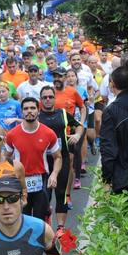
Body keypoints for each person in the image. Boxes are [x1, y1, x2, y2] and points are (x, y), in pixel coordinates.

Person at [5, 99, 62, 221]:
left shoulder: (49, 133)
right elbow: (6, 158)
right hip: (20, 180)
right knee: (23, 218)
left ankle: (46, 218)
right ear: (22, 112)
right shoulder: (12, 135)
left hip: (41, 179)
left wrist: (54, 174)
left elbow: (58, 157)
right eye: (26, 108)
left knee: (39, 218)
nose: (29, 111)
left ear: (38, 111)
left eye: (32, 108)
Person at [38, 86, 83, 232]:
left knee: (61, 193)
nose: (48, 100)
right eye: (45, 97)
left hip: (62, 159)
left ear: (54, 98)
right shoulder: (37, 117)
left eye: (50, 97)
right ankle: (45, 226)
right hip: (43, 162)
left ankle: (60, 229)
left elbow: (78, 126)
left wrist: (77, 135)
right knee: (44, 196)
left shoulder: (62, 113)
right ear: (40, 100)